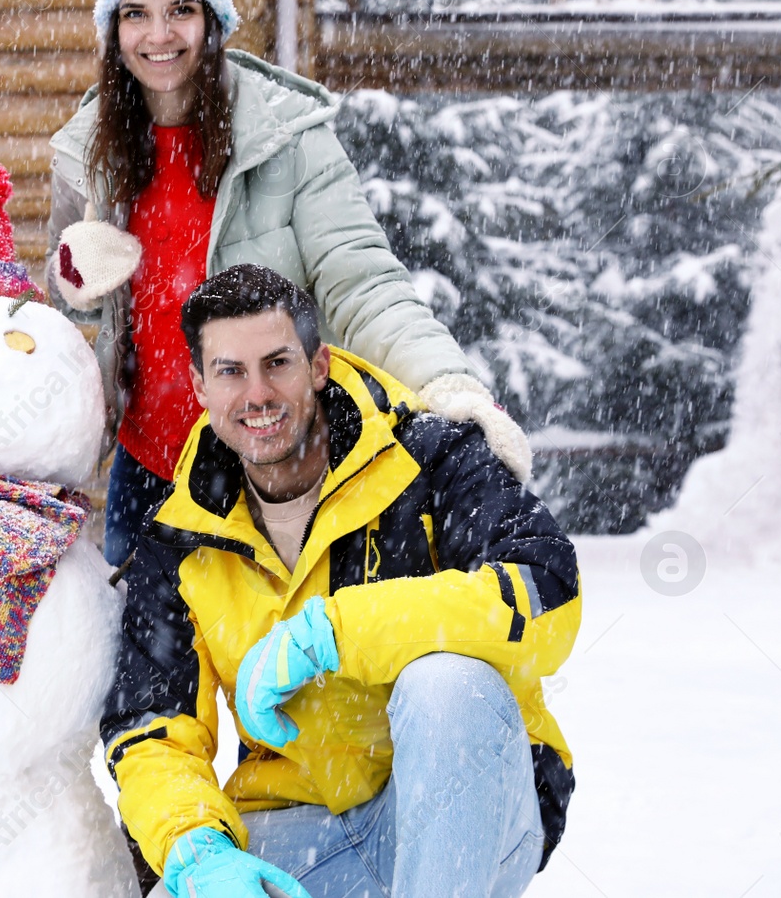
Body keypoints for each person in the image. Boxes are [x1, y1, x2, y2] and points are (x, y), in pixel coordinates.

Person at [46, 0, 529, 572]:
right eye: (135, 13)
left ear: (213, 18)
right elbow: (67, 307)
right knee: (145, 679)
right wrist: (72, 275)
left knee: (276, 677)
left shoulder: (289, 138)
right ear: (112, 29)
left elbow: (361, 282)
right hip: (146, 474)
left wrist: (448, 386)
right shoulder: (87, 151)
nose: (158, 35)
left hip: (273, 469)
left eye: (181, 8)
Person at [101, 264, 580, 898]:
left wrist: (339, 630)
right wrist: (198, 846)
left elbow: (546, 590)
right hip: (304, 828)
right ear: (198, 386)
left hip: (475, 814)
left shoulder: (430, 455)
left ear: (319, 364)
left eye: (278, 363)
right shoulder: (177, 538)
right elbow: (150, 728)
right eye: (230, 372)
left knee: (447, 683)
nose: (258, 395)